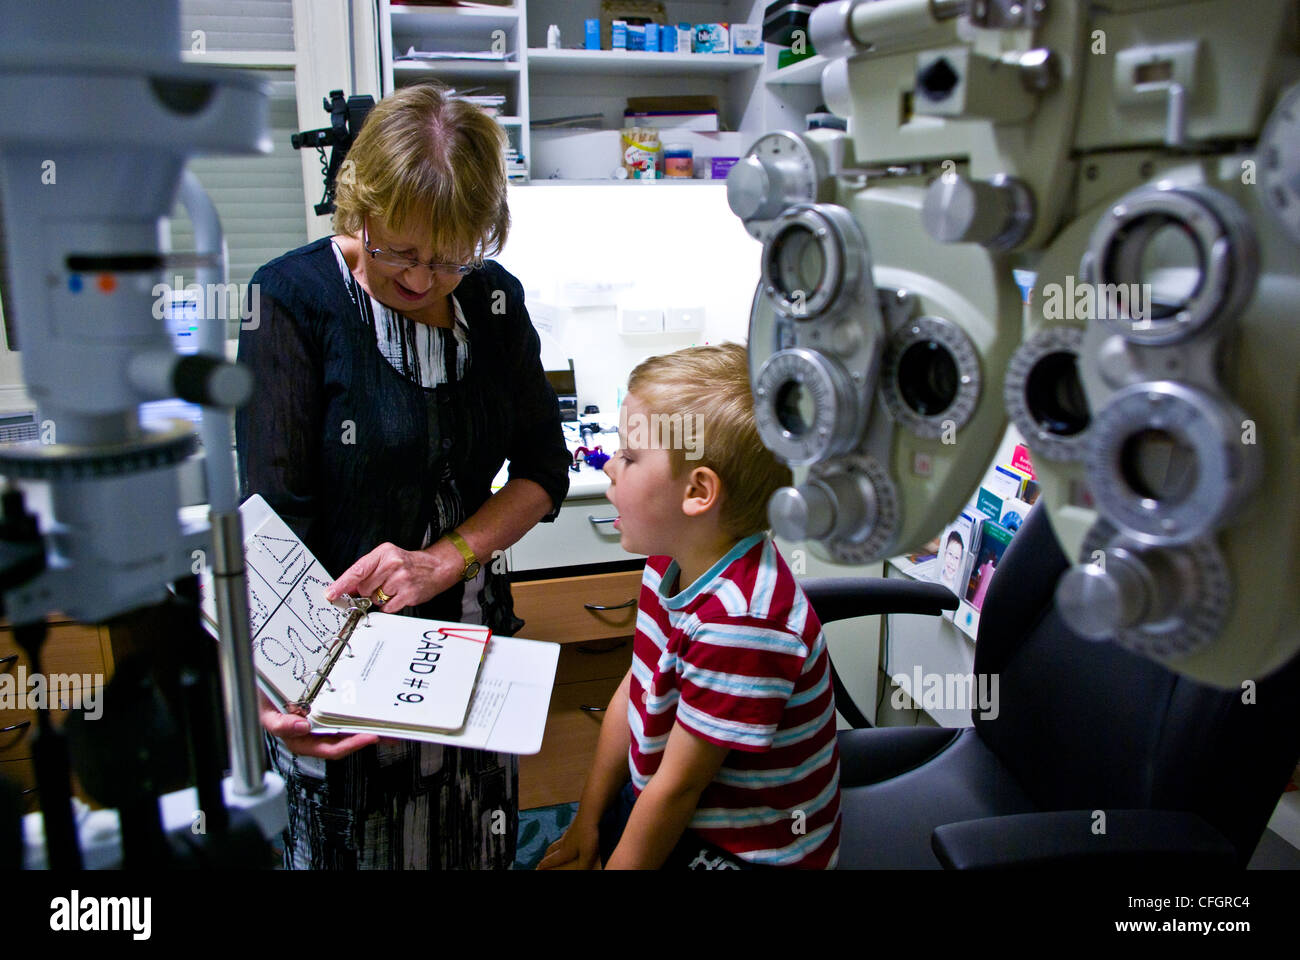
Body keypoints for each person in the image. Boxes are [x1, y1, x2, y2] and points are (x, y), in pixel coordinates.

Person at [236, 82, 570, 869]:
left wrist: (443, 559)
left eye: (449, 258)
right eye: (398, 252)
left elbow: (543, 472)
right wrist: (284, 685)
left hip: (468, 659)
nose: (422, 280)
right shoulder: (290, 299)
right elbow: (274, 521)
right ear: (359, 209)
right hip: (333, 676)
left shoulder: (491, 302)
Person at [539, 343, 841, 869]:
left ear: (698, 492)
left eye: (630, 457)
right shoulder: (670, 557)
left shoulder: (742, 623)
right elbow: (635, 687)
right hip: (667, 795)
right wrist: (587, 817)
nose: (609, 466)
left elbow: (677, 791)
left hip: (747, 849)